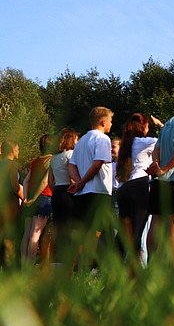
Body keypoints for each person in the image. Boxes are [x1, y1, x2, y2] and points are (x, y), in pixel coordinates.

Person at [68, 107, 116, 264]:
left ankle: (74, 268)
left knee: (81, 233)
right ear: (103, 122)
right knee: (96, 232)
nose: (111, 124)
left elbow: (71, 166)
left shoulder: (81, 141)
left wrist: (78, 182)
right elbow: (98, 163)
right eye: (110, 121)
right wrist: (82, 181)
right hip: (98, 191)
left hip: (82, 193)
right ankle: (87, 268)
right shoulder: (102, 139)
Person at [115, 113, 160, 259]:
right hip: (139, 185)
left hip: (123, 187)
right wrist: (160, 125)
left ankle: (112, 267)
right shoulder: (144, 142)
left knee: (123, 231)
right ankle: (133, 269)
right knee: (137, 231)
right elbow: (167, 140)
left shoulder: (124, 145)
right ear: (144, 127)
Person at [146, 111, 174, 260]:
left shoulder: (169, 122)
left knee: (156, 222)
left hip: (159, 180)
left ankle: (151, 263)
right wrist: (165, 168)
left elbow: (156, 149)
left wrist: (157, 166)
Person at [22, 134, 54, 263]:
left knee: (27, 234)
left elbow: (26, 181)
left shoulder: (35, 161)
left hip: (29, 198)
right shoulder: (51, 160)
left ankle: (23, 266)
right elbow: (44, 182)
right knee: (36, 234)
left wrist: (26, 198)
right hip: (44, 197)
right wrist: (34, 199)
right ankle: (29, 267)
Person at [49, 128, 78, 260]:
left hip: (57, 192)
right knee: (71, 227)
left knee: (58, 228)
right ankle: (70, 259)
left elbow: (50, 181)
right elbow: (73, 175)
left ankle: (57, 260)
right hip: (69, 191)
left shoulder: (53, 158)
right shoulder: (72, 155)